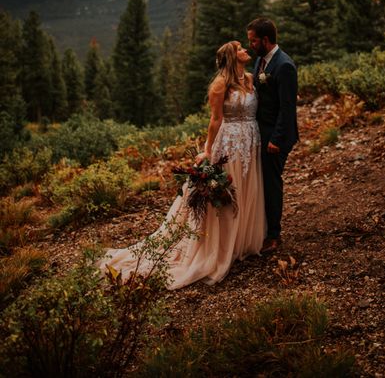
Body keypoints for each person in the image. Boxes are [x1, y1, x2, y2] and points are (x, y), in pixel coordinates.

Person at [99, 41, 265, 288]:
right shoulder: (220, 85)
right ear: (232, 57)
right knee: (230, 193)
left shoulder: (251, 78)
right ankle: (219, 249)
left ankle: (241, 242)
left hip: (251, 141)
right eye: (240, 48)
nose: (245, 50)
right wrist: (208, 151)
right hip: (229, 144)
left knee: (247, 188)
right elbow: (215, 120)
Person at [247, 18, 298, 253]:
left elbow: (287, 108)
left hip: (276, 138)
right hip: (262, 132)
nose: (251, 44)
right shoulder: (261, 61)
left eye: (254, 40)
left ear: (265, 40)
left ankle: (274, 235)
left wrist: (276, 140)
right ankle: (263, 228)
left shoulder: (284, 65)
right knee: (263, 182)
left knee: (272, 184)